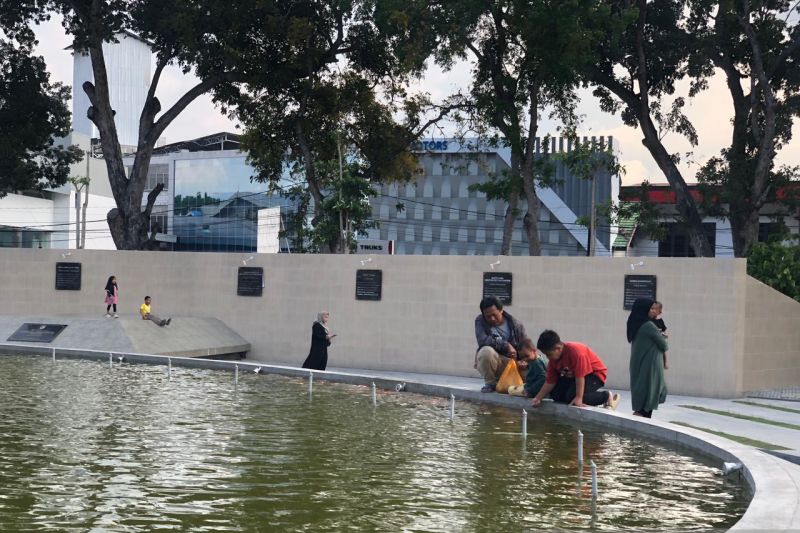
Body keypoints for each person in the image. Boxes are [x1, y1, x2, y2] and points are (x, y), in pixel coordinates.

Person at [530, 330, 620, 409]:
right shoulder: (553, 360)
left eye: (549, 354)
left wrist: (579, 397)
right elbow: (550, 382)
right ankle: (588, 398)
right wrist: (538, 398)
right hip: (575, 377)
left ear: (558, 348)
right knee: (556, 395)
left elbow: (580, 376)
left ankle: (606, 396)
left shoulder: (576, 352)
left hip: (595, 375)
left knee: (572, 397)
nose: (548, 357)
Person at [474, 296, 530, 393]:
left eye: (494, 315)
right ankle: (490, 384)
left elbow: (526, 346)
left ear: (501, 311)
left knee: (533, 373)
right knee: (486, 351)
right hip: (495, 361)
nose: (492, 318)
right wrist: (506, 345)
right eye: (488, 316)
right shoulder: (480, 321)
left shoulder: (516, 325)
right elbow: (483, 340)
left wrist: (524, 361)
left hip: (513, 363)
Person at [628, 298, 668, 418]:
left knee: (642, 398)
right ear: (644, 309)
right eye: (650, 308)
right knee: (649, 396)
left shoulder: (635, 323)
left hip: (639, 364)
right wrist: (662, 336)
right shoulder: (649, 326)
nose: (653, 311)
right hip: (649, 366)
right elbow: (664, 345)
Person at [649, 300, 669, 369]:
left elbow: (665, 332)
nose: (653, 311)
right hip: (653, 341)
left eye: (655, 309)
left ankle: (665, 363)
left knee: (663, 351)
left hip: (660, 339)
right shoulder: (649, 321)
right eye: (652, 308)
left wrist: (664, 334)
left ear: (659, 311)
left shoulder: (660, 321)